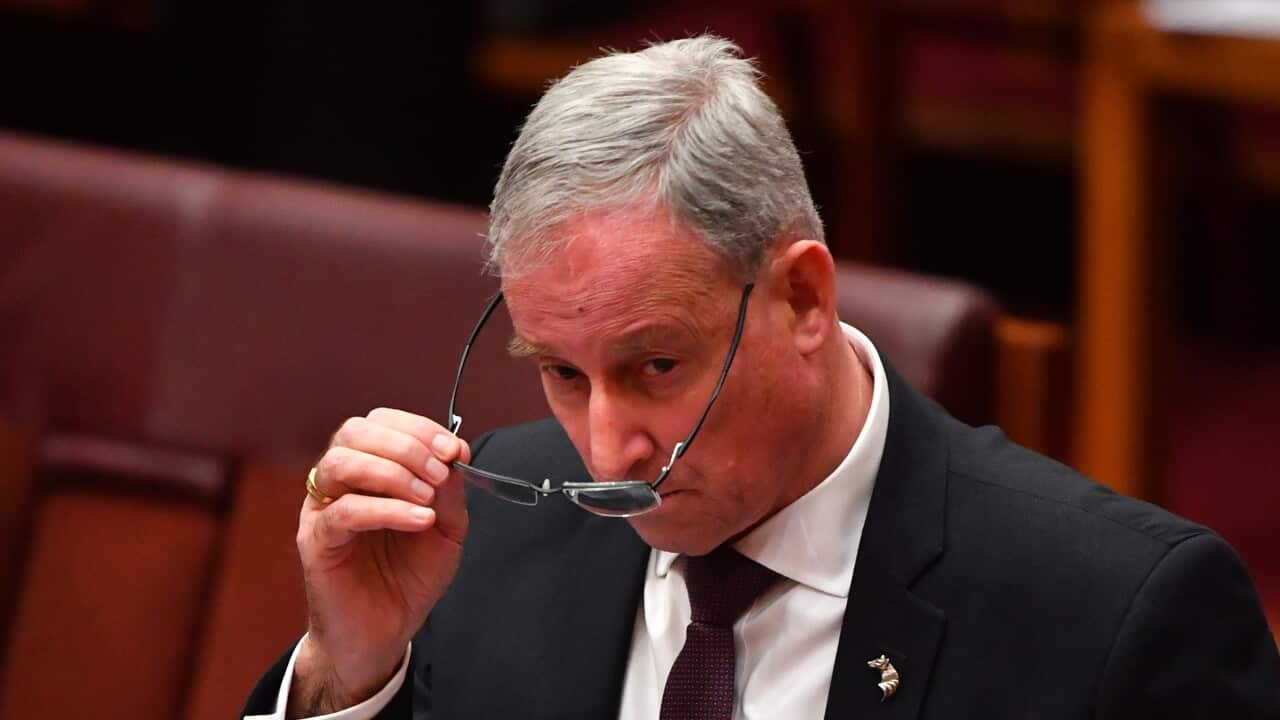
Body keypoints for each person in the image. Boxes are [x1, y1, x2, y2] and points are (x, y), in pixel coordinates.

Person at [242, 36, 1280, 719]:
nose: (606, 452)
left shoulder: (1117, 618)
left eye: (655, 366)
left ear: (800, 299)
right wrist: (348, 673)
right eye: (560, 371)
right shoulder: (481, 537)